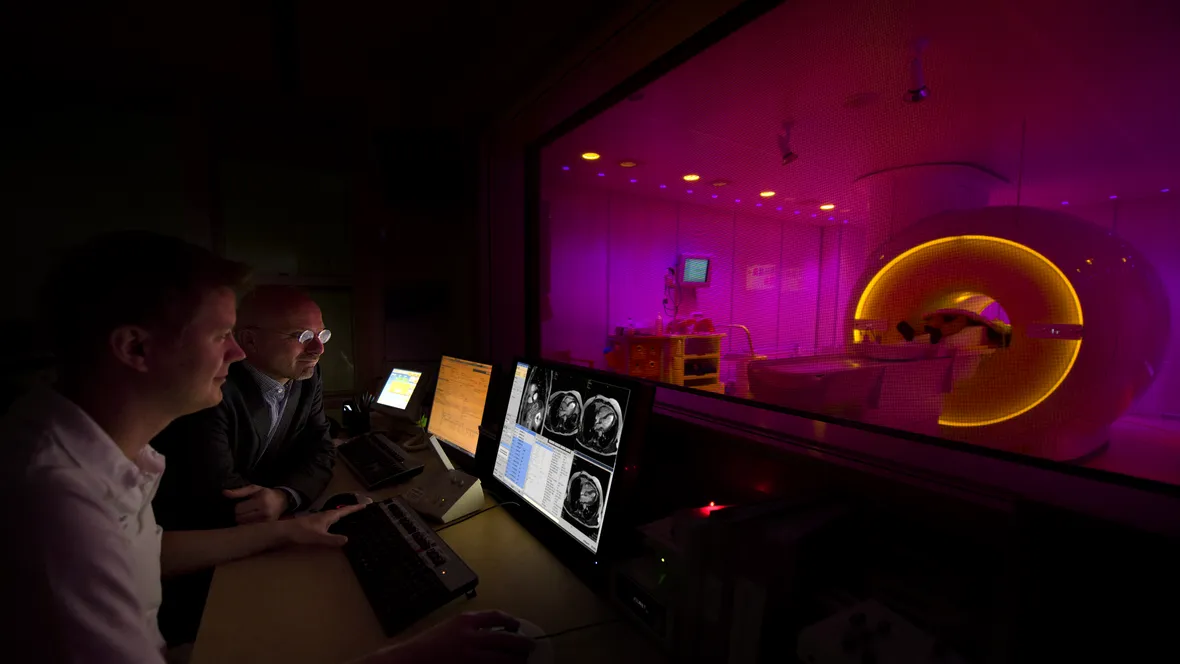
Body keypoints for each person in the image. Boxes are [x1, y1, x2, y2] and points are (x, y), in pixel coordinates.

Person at [0, 231, 532, 664]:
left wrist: (287, 527)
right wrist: (410, 658)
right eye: (220, 336)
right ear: (135, 348)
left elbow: (146, 551)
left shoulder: (90, 448)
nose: (235, 353)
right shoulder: (56, 501)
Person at [152, 285, 339, 531]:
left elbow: (321, 448)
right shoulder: (213, 386)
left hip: (265, 517)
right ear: (250, 340)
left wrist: (284, 497)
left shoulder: (308, 376)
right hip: (196, 530)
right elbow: (219, 488)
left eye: (322, 335)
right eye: (303, 336)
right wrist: (270, 506)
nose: (319, 349)